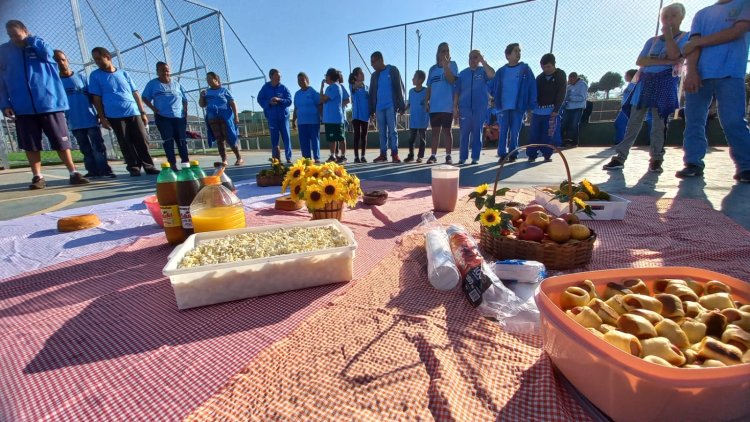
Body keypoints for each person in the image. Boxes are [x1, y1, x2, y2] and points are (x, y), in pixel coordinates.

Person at [0, 20, 89, 189]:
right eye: (11, 36)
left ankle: (73, 172)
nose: (15, 39)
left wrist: (32, 40)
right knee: (30, 143)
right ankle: (37, 176)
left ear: (25, 31)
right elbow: (1, 81)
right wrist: (4, 104)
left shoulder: (39, 45)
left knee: (60, 141)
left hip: (49, 104)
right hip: (22, 107)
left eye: (17, 35)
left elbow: (49, 55)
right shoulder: (4, 52)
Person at [603, 3, 689, 174]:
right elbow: (641, 61)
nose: (668, 19)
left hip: (665, 83)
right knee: (633, 122)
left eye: (673, 15)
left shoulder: (685, 37)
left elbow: (676, 56)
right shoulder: (653, 41)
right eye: (665, 16)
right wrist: (665, 61)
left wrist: (670, 38)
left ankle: (656, 158)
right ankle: (620, 157)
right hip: (645, 83)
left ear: (681, 17)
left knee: (659, 124)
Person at [677, 0, 750, 182]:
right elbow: (693, 46)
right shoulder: (702, 13)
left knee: (733, 121)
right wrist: (691, 72)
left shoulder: (745, 4)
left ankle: (746, 166)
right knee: (694, 121)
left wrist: (698, 42)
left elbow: (736, 31)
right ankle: (693, 164)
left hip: (731, 73)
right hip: (699, 75)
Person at [88, 47, 157, 177]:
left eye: (98, 58)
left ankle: (149, 166)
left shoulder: (123, 73)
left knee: (142, 139)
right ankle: (133, 167)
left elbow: (135, 93)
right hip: (114, 115)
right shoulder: (95, 75)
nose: (96, 62)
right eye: (95, 59)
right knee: (125, 142)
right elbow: (96, 98)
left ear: (107, 57)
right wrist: (103, 118)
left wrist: (142, 112)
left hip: (133, 111)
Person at [53, 49, 114, 179]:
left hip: (90, 118)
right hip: (74, 122)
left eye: (63, 60)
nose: (61, 63)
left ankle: (104, 170)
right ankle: (92, 170)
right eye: (57, 61)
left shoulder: (81, 78)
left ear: (67, 60)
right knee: (85, 148)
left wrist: (99, 113)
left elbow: (93, 97)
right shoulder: (56, 82)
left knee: (98, 146)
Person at [489, 43, 536, 162]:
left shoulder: (525, 69)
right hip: (503, 107)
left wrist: (530, 106)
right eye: (515, 51)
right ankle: (502, 153)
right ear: (508, 55)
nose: (518, 53)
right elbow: (492, 86)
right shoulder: (501, 71)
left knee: (515, 131)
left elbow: (531, 87)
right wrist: (493, 99)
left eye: (519, 51)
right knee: (503, 130)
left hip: (518, 106)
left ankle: (513, 152)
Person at [142, 61, 190, 171]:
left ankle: (185, 163)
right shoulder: (152, 84)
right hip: (163, 117)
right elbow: (144, 98)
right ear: (157, 72)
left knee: (182, 141)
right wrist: (153, 108)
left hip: (179, 117)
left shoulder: (177, 84)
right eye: (162, 70)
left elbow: (185, 99)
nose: (165, 72)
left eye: (167, 70)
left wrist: (185, 113)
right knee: (168, 140)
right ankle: (172, 164)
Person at [454, 49, 495, 165]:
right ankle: (462, 157)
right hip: (464, 108)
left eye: (476, 57)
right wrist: (455, 108)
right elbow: (457, 92)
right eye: (471, 57)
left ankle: (475, 157)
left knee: (477, 132)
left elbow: (492, 74)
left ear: (480, 59)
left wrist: (483, 61)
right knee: (464, 133)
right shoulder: (462, 74)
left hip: (480, 107)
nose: (472, 60)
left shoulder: (483, 71)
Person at [526, 53, 566, 163]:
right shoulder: (539, 78)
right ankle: (532, 155)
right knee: (534, 134)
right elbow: (534, 94)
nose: (546, 69)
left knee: (548, 134)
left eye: (548, 67)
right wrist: (531, 108)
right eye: (543, 67)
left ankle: (547, 154)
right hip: (538, 111)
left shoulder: (560, 75)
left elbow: (561, 93)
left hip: (551, 111)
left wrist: (556, 109)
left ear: (553, 65)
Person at [368, 51, 406, 163]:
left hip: (391, 106)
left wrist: (401, 105)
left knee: (392, 131)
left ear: (380, 60)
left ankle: (395, 153)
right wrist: (372, 109)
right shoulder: (374, 76)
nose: (372, 65)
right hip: (379, 108)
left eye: (373, 62)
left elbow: (400, 87)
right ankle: (383, 154)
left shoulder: (393, 70)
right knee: (382, 132)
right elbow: (371, 92)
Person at [425, 42, 458, 164]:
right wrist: (426, 101)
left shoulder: (452, 65)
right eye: (443, 51)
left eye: (447, 51)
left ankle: (448, 156)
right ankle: (433, 155)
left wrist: (445, 67)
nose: (445, 53)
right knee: (435, 132)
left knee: (447, 131)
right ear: (438, 54)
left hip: (447, 106)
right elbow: (429, 87)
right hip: (435, 107)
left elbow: (452, 80)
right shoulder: (432, 69)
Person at [199, 72, 241, 166]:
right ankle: (224, 160)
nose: (208, 81)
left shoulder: (224, 90)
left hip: (225, 117)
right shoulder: (206, 92)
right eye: (207, 79)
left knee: (229, 138)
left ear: (216, 79)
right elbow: (202, 105)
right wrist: (201, 96)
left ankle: (239, 157)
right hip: (212, 118)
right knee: (219, 139)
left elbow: (232, 103)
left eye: (210, 79)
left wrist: (236, 116)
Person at [257, 68, 293, 163]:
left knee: (286, 137)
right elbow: (260, 99)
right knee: (274, 139)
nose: (279, 78)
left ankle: (288, 158)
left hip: (283, 118)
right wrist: (269, 102)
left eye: (280, 76)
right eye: (277, 76)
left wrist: (279, 100)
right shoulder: (265, 88)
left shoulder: (284, 88)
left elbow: (289, 101)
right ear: (271, 76)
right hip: (272, 118)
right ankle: (276, 159)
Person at [320, 68, 350, 163]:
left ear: (329, 77)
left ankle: (343, 156)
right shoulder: (336, 87)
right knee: (332, 138)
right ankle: (333, 155)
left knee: (340, 138)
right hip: (331, 118)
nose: (325, 78)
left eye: (326, 76)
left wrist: (321, 87)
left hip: (335, 118)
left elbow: (323, 99)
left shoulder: (333, 87)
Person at [292, 72, 321, 163]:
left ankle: (316, 158)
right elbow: (296, 108)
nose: (300, 81)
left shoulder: (312, 91)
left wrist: (323, 117)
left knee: (315, 141)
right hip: (301, 123)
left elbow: (320, 104)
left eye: (302, 79)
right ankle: (306, 159)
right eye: (299, 80)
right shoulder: (297, 94)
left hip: (313, 122)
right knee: (304, 142)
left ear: (307, 80)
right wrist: (293, 121)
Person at [404, 70, 429, 163]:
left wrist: (427, 105)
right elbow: (409, 104)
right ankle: (411, 156)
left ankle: (420, 156)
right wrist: (403, 109)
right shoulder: (411, 91)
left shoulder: (426, 91)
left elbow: (428, 102)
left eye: (414, 77)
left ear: (420, 80)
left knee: (422, 140)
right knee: (411, 140)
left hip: (423, 120)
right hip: (413, 120)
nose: (412, 79)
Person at [560, 72, 588, 147]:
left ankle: (574, 142)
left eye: (572, 80)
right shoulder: (569, 85)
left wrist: (570, 98)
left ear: (576, 78)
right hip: (568, 108)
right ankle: (563, 140)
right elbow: (565, 95)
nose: (570, 81)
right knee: (563, 123)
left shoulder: (582, 85)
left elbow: (583, 97)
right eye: (569, 80)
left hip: (577, 108)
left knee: (574, 124)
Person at [348, 67, 369, 163]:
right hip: (356, 116)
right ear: (356, 76)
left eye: (363, 73)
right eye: (361, 73)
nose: (363, 74)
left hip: (365, 116)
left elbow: (369, 101)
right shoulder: (352, 86)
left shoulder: (367, 88)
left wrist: (371, 113)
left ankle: (363, 156)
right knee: (357, 136)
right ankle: (356, 156)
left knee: (364, 136)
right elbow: (354, 87)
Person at [613, 69, 638, 144]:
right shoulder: (630, 84)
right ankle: (621, 141)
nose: (625, 76)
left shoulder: (635, 84)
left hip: (629, 108)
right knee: (619, 123)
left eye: (626, 75)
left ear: (630, 76)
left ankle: (621, 142)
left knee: (620, 123)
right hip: (625, 108)